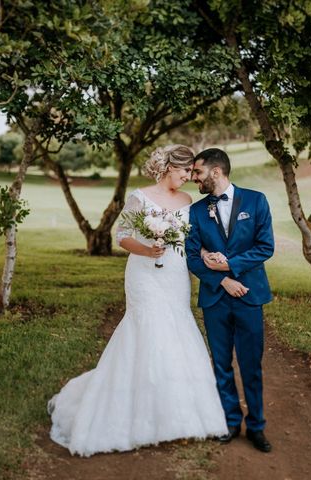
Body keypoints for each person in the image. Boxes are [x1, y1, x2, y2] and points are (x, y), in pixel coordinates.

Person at [47, 145, 228, 457]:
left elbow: (192, 241)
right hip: (144, 274)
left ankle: (177, 414)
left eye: (191, 172)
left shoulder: (188, 202)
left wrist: (206, 255)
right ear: (169, 167)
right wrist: (147, 249)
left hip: (174, 274)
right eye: (185, 170)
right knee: (147, 330)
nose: (188, 177)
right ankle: (135, 414)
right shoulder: (140, 197)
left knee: (176, 329)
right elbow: (122, 236)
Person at [186, 147, 275, 453]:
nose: (193, 178)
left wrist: (229, 266)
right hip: (215, 298)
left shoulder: (256, 200)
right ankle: (229, 421)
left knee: (251, 365)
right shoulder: (196, 211)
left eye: (197, 172)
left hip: (249, 296)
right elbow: (192, 256)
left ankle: (257, 427)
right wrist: (222, 280)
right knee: (221, 364)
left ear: (216, 171)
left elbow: (265, 247)